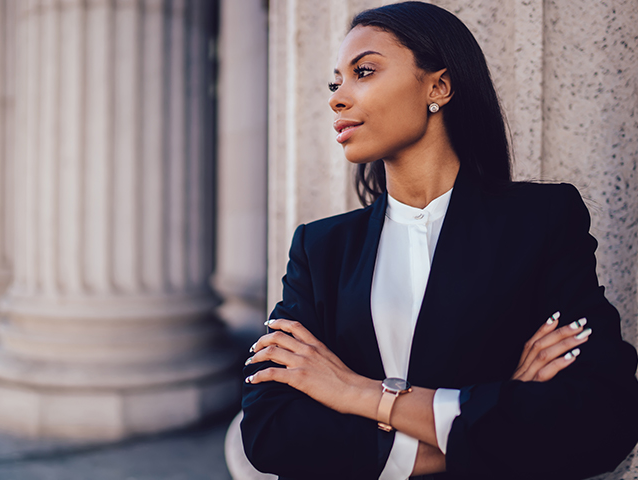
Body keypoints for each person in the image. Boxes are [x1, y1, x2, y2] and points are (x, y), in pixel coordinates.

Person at [240, 2, 638, 479]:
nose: (337, 98)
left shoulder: (541, 222)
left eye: (363, 71)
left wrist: (354, 392)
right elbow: (269, 430)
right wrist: (489, 411)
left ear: (439, 87)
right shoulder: (320, 248)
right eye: (335, 82)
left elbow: (602, 415)